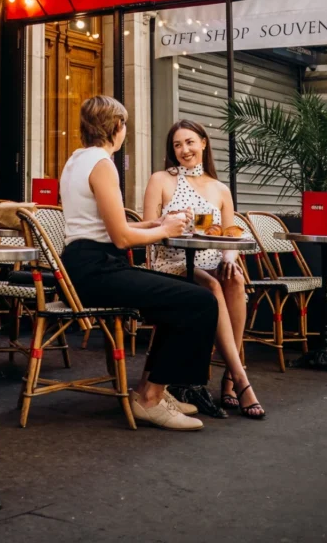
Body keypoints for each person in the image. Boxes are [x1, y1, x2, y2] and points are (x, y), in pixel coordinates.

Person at [60, 95, 218, 431]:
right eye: (125, 125)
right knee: (199, 300)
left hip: (84, 265)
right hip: (97, 271)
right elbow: (120, 239)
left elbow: (102, 226)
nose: (125, 131)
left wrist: (151, 224)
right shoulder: (102, 165)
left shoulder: (76, 160)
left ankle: (153, 391)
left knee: (181, 297)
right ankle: (149, 399)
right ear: (116, 126)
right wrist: (165, 228)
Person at [143, 119, 265, 419]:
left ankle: (227, 377)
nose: (184, 149)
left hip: (209, 261)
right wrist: (168, 222)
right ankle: (240, 378)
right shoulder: (160, 179)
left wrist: (228, 259)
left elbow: (227, 233)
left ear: (203, 143)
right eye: (177, 145)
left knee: (234, 280)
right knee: (211, 286)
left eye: (189, 142)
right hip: (170, 262)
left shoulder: (220, 189)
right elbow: (147, 228)